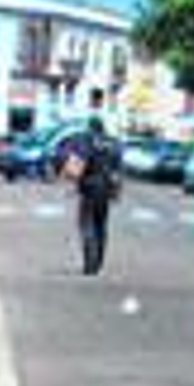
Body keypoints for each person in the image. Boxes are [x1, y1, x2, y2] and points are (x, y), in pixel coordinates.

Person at [70, 116, 120, 276]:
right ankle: (98, 263)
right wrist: (116, 191)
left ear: (91, 127)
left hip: (89, 188)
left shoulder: (87, 141)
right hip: (105, 190)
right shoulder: (113, 144)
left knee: (87, 225)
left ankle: (90, 264)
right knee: (101, 226)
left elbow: (76, 166)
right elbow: (117, 169)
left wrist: (73, 179)